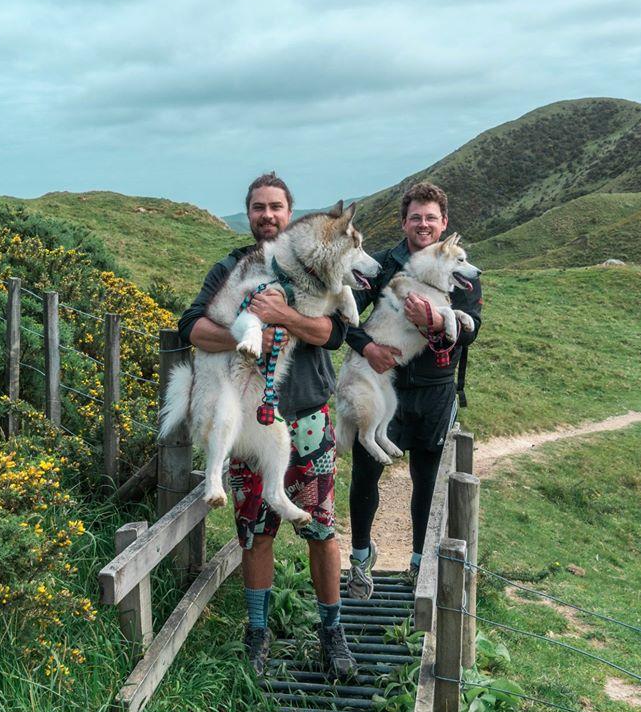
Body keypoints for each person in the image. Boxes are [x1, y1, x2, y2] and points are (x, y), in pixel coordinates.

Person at [177, 173, 357, 678]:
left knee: (321, 527)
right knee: (255, 531)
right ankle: (257, 636)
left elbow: (333, 333)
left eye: (276, 207)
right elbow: (190, 325)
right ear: (249, 212)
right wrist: (244, 335)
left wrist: (281, 316)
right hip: (252, 415)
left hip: (309, 416)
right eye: (258, 207)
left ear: (290, 213)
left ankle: (333, 632)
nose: (266, 215)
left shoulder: (313, 266)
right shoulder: (233, 267)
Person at [345, 181, 483, 598]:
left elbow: (471, 331)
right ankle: (360, 560)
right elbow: (344, 319)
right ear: (404, 221)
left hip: (437, 390)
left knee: (427, 483)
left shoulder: (461, 274)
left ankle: (419, 569)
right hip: (387, 383)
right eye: (415, 217)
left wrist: (441, 322)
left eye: (431, 217)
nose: (423, 224)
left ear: (443, 223)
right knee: (366, 474)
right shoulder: (384, 265)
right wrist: (368, 348)